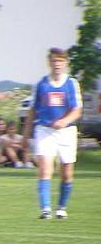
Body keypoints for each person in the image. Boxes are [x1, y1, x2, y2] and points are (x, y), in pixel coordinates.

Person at [23, 47, 82, 220]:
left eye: (60, 61)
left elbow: (77, 110)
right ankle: (45, 209)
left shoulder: (71, 83)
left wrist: (64, 121)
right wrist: (26, 135)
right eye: (54, 61)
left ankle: (61, 208)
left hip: (66, 131)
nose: (57, 64)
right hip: (45, 130)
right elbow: (32, 111)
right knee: (45, 168)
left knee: (67, 172)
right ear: (49, 63)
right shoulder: (41, 84)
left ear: (65, 63)